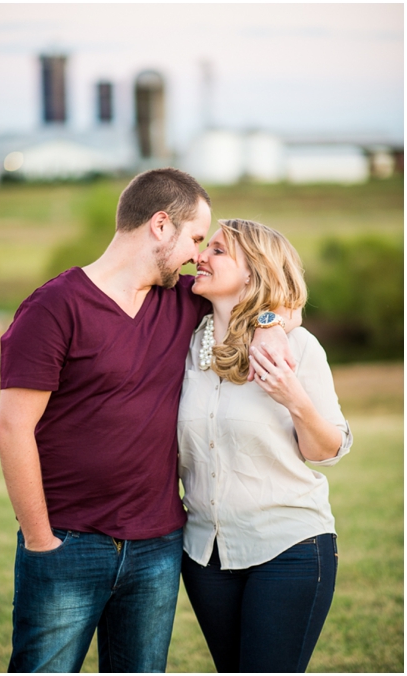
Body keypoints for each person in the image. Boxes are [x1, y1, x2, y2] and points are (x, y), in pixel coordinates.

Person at [0, 167, 298, 673]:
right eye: (196, 238)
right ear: (161, 226)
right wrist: (39, 540)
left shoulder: (183, 300)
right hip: (68, 542)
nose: (199, 254)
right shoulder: (54, 307)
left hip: (157, 548)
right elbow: (11, 427)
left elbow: (272, 295)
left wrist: (269, 327)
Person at [178, 219, 352, 673]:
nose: (200, 256)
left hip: (289, 546)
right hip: (204, 556)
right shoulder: (184, 345)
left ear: (253, 272)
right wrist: (271, 317)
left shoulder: (297, 347)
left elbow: (326, 450)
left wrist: (294, 398)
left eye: (217, 251)